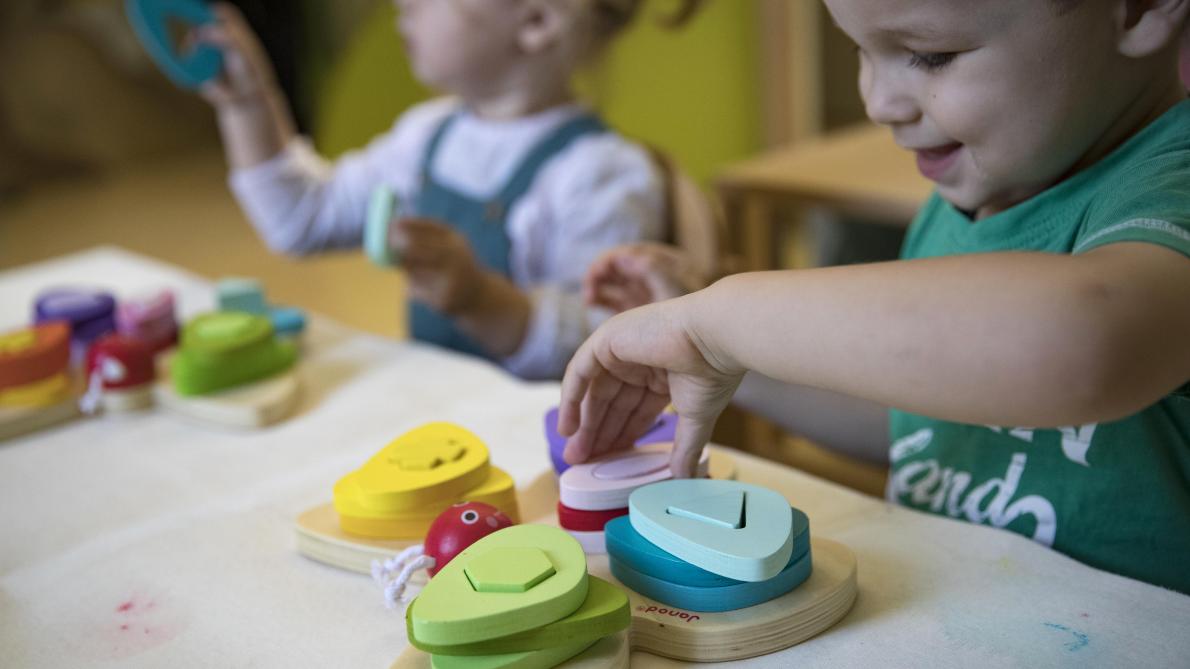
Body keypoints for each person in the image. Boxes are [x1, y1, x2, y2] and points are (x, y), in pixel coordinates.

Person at [559, 0, 1190, 593]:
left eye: (930, 54)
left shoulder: (1170, 191)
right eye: (860, 50)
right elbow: (921, 427)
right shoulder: (969, 203)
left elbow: (1087, 341)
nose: (878, 101)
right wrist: (721, 361)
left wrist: (721, 319)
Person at [195, 0, 699, 379]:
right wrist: (247, 103)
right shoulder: (426, 137)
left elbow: (609, 352)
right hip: (440, 413)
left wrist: (480, 299)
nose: (404, 4)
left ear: (536, 23)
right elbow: (301, 221)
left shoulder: (601, 174)